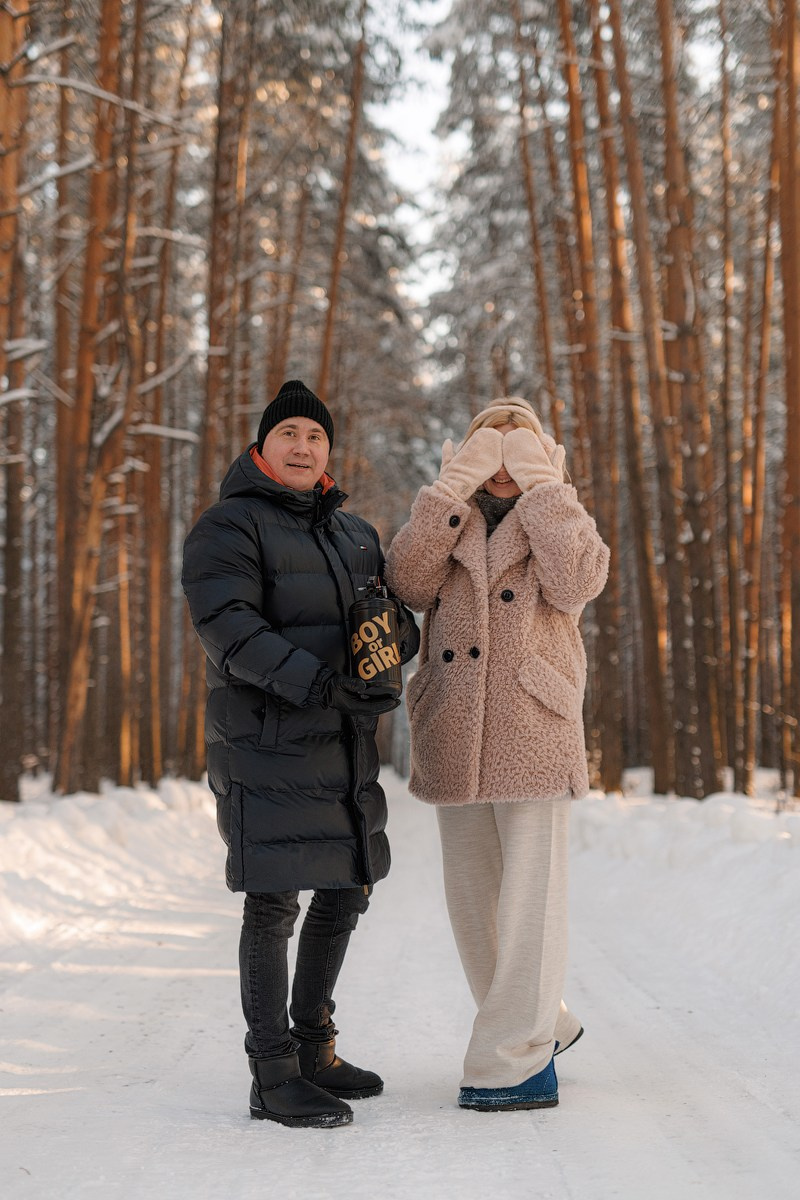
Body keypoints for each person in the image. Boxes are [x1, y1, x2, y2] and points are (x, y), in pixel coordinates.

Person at [182, 379, 419, 1128]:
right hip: (266, 742)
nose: (303, 445)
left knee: (347, 889)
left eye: (315, 437)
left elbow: (391, 620)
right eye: (289, 433)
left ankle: (315, 1046)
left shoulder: (354, 533)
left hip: (343, 741)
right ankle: (272, 1072)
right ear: (262, 446)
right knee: (275, 898)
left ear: (328, 452)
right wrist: (321, 685)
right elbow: (231, 628)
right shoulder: (228, 527)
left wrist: (391, 651)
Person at [385, 397, 609, 1112]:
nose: (506, 461)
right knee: (473, 902)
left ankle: (511, 1062)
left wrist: (547, 487)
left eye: (522, 447)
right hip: (455, 724)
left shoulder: (558, 516)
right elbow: (408, 584)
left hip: (533, 723)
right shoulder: (449, 520)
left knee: (529, 906)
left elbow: (578, 579)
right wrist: (448, 491)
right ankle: (547, 1024)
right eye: (491, 447)